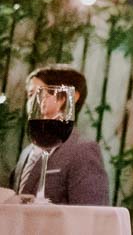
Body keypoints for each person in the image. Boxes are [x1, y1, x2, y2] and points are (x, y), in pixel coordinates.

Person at [9, 63, 112, 206]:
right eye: (30, 95)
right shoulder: (27, 152)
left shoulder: (83, 151)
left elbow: (92, 213)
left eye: (38, 93)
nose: (31, 102)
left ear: (68, 97)